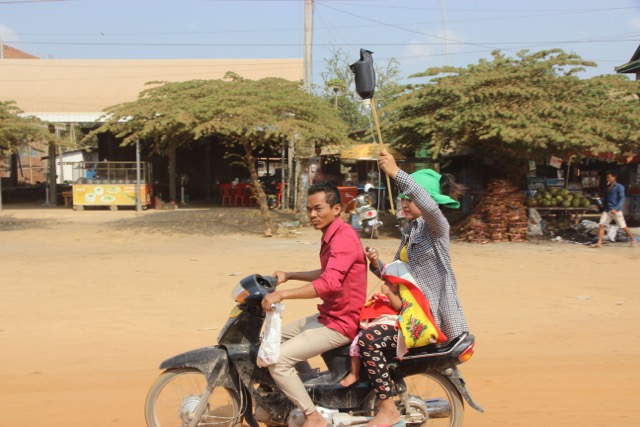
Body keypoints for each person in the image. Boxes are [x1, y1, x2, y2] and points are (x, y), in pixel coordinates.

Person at [359, 149, 469, 427]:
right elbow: (398, 276)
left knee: (370, 342)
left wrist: (396, 173)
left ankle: (388, 410)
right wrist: (375, 263)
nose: (405, 203)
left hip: (424, 317)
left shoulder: (436, 226)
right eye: (403, 198)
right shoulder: (412, 233)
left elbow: (428, 207)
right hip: (405, 309)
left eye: (411, 199)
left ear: (428, 199)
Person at [261, 181, 368, 427]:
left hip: (340, 324)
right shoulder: (332, 235)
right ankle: (308, 386)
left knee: (277, 361)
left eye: (318, 209)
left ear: (337, 208)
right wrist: (290, 274)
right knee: (272, 340)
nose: (312, 215)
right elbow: (327, 272)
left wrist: (283, 294)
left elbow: (329, 283)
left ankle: (313, 416)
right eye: (309, 210)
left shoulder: (343, 238)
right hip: (327, 316)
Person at [339, 282, 403, 388]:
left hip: (390, 324)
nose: (385, 284)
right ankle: (356, 373)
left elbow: (398, 307)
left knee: (364, 341)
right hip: (378, 323)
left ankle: (356, 374)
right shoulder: (383, 296)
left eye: (389, 283)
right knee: (356, 343)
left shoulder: (399, 295)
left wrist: (389, 294)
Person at [592, 170, 637, 248]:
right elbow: (606, 199)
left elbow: (622, 199)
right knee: (601, 225)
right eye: (607, 178)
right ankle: (599, 243)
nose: (607, 179)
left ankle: (633, 239)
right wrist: (599, 200)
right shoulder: (608, 188)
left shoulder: (619, 187)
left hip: (616, 210)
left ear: (614, 177)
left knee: (623, 226)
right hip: (607, 210)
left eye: (609, 178)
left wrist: (615, 208)